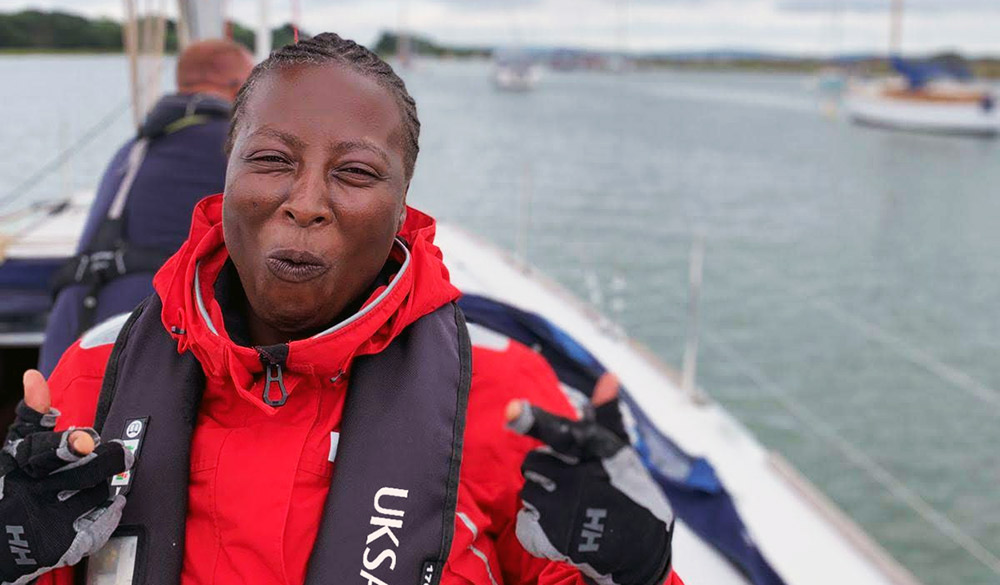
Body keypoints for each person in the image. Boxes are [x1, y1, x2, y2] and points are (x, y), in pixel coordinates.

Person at [1, 33, 681, 585]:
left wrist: (636, 570)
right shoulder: (93, 377)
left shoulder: (502, 396)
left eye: (354, 172)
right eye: (270, 159)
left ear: (401, 206)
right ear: (227, 174)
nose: (306, 200)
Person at [38, 39, 255, 375]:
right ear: (237, 84)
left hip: (66, 336)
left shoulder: (133, 149)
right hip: (137, 334)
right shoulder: (234, 147)